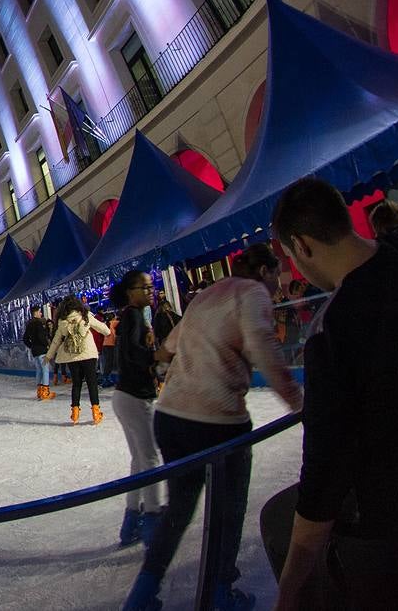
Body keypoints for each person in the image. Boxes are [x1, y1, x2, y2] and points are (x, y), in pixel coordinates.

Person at [263, 178, 398, 609]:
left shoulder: (333, 334)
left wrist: (291, 587)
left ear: (301, 245)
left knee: (279, 523)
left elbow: (324, 476)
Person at [122, 244, 302, 611]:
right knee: (229, 508)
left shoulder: (208, 294)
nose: (280, 283)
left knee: (180, 507)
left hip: (171, 416)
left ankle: (143, 592)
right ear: (265, 273)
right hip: (217, 421)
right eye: (278, 272)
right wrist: (301, 404)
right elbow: (263, 348)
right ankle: (221, 590)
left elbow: (172, 344)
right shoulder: (253, 294)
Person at [111, 270, 163, 548]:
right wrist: (157, 357)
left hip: (125, 396)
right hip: (134, 397)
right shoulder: (133, 315)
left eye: (150, 286)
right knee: (151, 458)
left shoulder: (137, 315)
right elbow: (133, 352)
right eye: (144, 287)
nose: (150, 291)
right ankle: (153, 520)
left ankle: (131, 521)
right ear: (130, 292)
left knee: (139, 460)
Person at [44, 296, 109, 425]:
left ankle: (75, 412)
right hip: (88, 354)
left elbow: (56, 341)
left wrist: (49, 356)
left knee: (77, 384)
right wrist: (108, 332)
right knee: (92, 383)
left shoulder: (63, 322)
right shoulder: (86, 317)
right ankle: (96, 412)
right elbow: (104, 329)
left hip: (72, 356)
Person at [22, 305, 56, 401]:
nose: (41, 314)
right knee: (45, 370)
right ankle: (45, 392)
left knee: (39, 370)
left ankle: (39, 391)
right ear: (36, 313)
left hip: (35, 351)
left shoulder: (29, 324)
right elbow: (41, 337)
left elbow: (25, 339)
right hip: (41, 350)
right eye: (40, 312)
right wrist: (46, 345)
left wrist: (32, 346)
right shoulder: (38, 323)